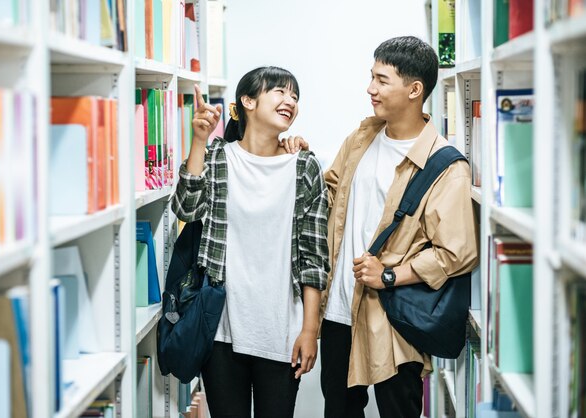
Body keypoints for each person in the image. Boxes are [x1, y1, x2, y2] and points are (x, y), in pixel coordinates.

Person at [319, 36, 479, 418]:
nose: (370, 88)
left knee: (399, 410)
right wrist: (292, 156)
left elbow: (457, 252)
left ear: (414, 89)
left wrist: (389, 275)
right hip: (340, 309)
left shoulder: (446, 165)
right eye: (371, 77)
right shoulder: (362, 137)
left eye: (381, 80)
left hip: (392, 317)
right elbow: (330, 192)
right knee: (338, 411)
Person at [170, 66, 330, 418]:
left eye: (295, 95)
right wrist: (199, 140)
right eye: (280, 91)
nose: (290, 100)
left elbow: (314, 259)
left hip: (282, 332)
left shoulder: (304, 167)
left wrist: (309, 328)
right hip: (221, 330)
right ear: (248, 101)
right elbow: (185, 207)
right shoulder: (217, 158)